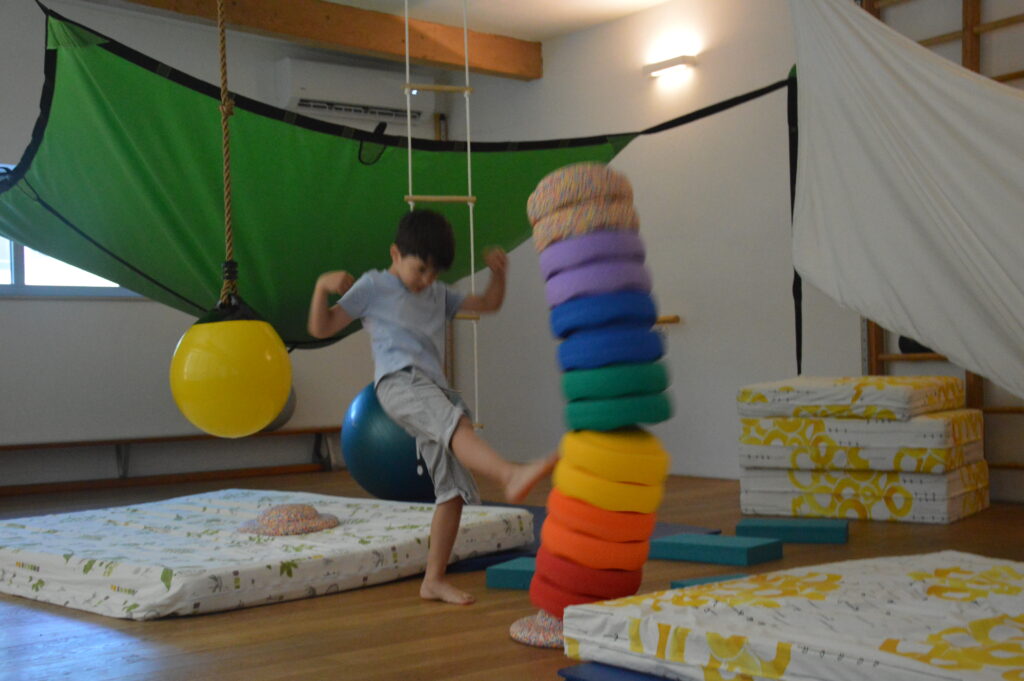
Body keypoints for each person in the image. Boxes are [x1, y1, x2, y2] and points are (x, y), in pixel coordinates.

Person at [307, 209, 557, 605]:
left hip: (433, 387)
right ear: (395, 254)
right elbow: (321, 328)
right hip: (399, 382)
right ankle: (509, 474)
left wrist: (499, 274)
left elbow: (488, 304)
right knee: (456, 426)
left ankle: (433, 580)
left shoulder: (438, 293)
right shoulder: (374, 286)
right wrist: (323, 287)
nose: (426, 280)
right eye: (420, 269)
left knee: (451, 489)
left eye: (434, 272)